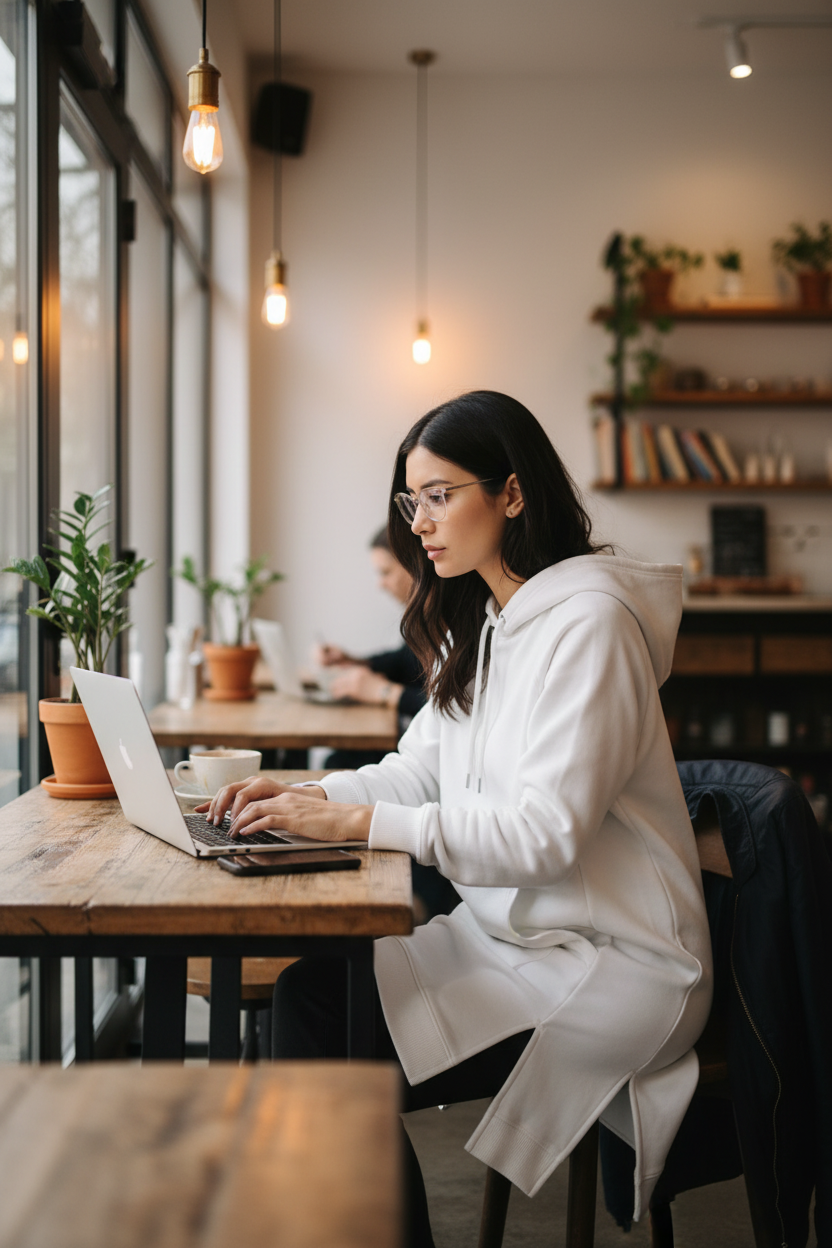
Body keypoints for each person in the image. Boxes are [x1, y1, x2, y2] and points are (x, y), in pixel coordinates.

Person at [201, 391, 713, 1247]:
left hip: (613, 963)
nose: (421, 522)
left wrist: (358, 829)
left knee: (324, 1039)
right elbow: (415, 768)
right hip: (519, 939)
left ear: (512, 494)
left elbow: (542, 838)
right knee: (310, 1000)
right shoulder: (491, 623)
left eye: (441, 495)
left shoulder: (591, 626)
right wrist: (307, 799)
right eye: (413, 500)